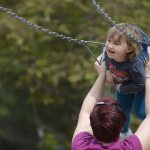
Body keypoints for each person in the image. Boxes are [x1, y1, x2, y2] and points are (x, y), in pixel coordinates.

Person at [72, 47, 150, 150]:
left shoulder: (81, 145)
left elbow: (85, 112)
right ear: (122, 126)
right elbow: (86, 112)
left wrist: (102, 75)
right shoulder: (80, 145)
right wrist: (148, 73)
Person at [98, 23, 150, 139]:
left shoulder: (134, 65)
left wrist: (121, 88)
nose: (110, 46)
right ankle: (123, 134)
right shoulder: (108, 53)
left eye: (116, 43)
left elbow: (140, 84)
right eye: (109, 40)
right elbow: (103, 60)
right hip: (124, 84)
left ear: (129, 48)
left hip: (141, 85)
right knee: (120, 112)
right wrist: (106, 71)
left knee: (141, 113)